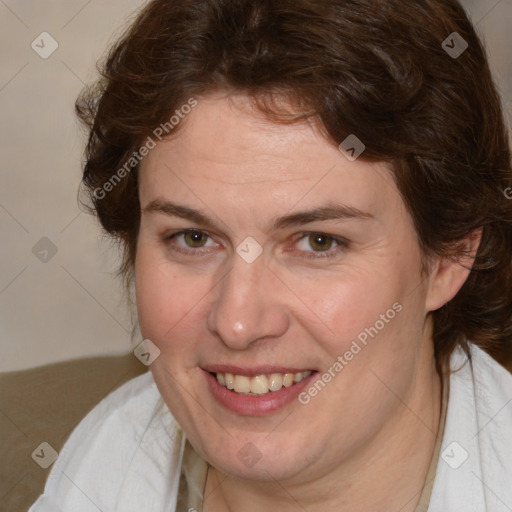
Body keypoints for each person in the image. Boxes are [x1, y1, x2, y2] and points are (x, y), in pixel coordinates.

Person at [29, 0, 512, 510]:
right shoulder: (90, 466)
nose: (238, 323)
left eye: (318, 242)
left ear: (451, 253)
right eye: (193, 238)